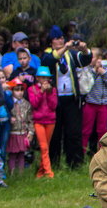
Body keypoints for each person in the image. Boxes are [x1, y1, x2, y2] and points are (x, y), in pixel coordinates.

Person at [39, 26, 92, 169]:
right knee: (55, 135)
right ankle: (53, 164)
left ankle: (75, 163)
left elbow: (85, 60)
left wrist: (85, 49)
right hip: (54, 101)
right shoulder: (47, 54)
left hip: (71, 99)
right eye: (57, 38)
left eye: (62, 37)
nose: (60, 40)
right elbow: (50, 61)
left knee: (73, 133)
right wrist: (65, 48)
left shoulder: (71, 55)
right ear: (51, 41)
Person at [81, 48, 107, 154]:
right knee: (86, 130)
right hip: (90, 103)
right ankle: (82, 152)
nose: (90, 59)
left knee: (102, 131)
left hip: (104, 104)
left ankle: (102, 154)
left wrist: (103, 73)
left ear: (99, 58)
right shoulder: (88, 69)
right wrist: (95, 72)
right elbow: (87, 85)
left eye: (93, 57)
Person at [27, 66, 57, 179]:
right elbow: (34, 104)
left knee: (46, 147)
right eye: (42, 77)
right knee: (43, 147)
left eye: (47, 77)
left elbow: (53, 105)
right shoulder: (32, 89)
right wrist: (41, 92)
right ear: (37, 78)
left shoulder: (53, 90)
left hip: (50, 120)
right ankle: (49, 173)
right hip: (38, 121)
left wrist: (48, 93)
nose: (45, 80)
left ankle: (40, 172)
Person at [6, 81, 34, 175]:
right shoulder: (9, 103)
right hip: (12, 132)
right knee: (13, 154)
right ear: (12, 91)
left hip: (23, 132)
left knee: (22, 154)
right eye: (17, 90)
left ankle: (21, 174)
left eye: (22, 90)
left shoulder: (27, 104)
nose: (20, 92)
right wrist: (9, 118)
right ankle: (12, 173)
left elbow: (30, 119)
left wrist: (30, 132)